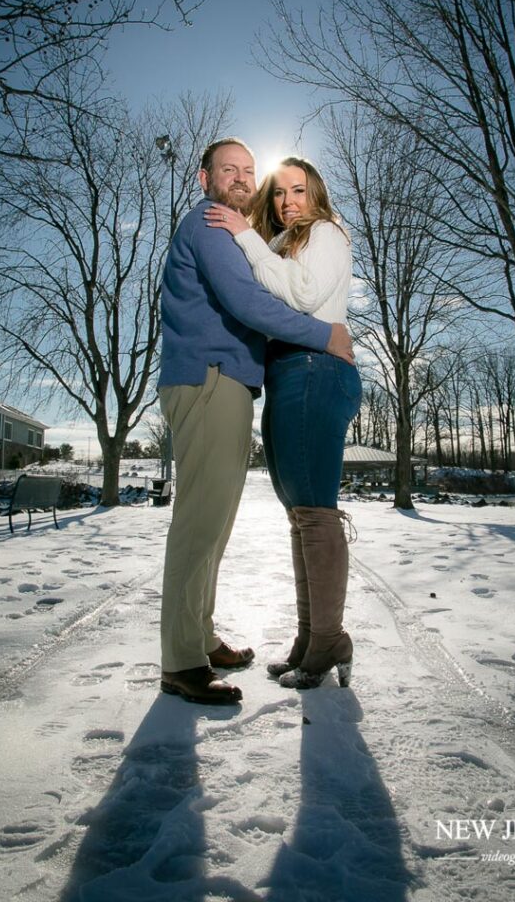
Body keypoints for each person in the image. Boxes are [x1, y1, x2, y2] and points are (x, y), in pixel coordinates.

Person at [158, 139, 354, 706]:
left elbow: (292, 287)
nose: (242, 179)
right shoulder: (215, 225)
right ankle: (182, 661)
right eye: (229, 170)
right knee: (200, 522)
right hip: (209, 378)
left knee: (215, 524)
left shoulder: (268, 233)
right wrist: (325, 334)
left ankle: (202, 635)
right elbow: (246, 300)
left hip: (231, 382)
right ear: (204, 178)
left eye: (249, 171)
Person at [204, 156, 362, 689]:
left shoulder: (326, 233)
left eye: (299, 189)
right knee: (300, 514)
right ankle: (310, 637)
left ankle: (328, 641)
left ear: (316, 193)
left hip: (316, 370)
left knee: (316, 514)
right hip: (290, 374)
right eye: (279, 193)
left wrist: (246, 236)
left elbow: (303, 295)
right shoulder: (281, 243)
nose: (288, 201)